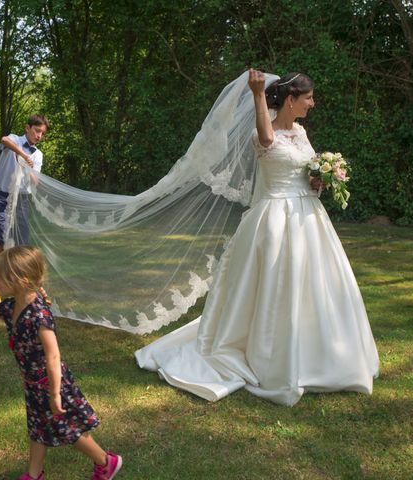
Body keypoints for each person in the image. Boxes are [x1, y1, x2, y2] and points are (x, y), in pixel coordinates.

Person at [135, 68, 380, 406]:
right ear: (291, 100)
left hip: (309, 217)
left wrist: (319, 180)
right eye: (308, 97)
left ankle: (324, 355)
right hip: (276, 218)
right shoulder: (262, 134)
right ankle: (272, 355)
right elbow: (267, 139)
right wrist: (257, 93)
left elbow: (304, 170)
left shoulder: (302, 132)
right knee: (276, 285)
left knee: (318, 285)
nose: (313, 102)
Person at [0, 246, 122, 480]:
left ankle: (105, 461)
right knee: (38, 428)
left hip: (52, 384)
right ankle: (33, 474)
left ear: (22, 280)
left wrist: (55, 393)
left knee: (68, 430)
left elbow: (53, 356)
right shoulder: (10, 306)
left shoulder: (39, 315)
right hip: (33, 383)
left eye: (0, 275)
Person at [0, 115, 49, 305]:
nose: (39, 136)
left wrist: (31, 172)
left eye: (42, 133)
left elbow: (35, 180)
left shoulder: (38, 155)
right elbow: (4, 140)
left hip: (22, 199)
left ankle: (31, 288)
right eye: (37, 131)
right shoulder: (14, 139)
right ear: (28, 128)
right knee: (3, 241)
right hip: (1, 195)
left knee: (23, 245)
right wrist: (22, 155)